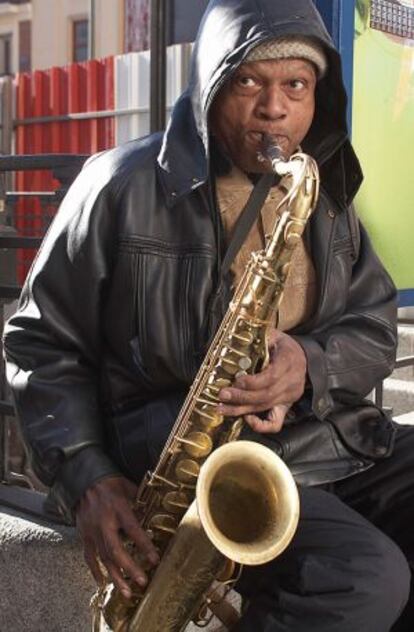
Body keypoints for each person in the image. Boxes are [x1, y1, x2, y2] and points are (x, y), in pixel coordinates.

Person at [3, 0, 413, 630]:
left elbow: (375, 324)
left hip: (320, 440)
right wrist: (87, 475)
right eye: (248, 81)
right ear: (211, 85)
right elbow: (39, 343)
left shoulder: (323, 194)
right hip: (184, 460)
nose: (274, 109)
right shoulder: (118, 186)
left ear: (317, 96)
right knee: (359, 577)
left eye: (296, 86)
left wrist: (309, 363)